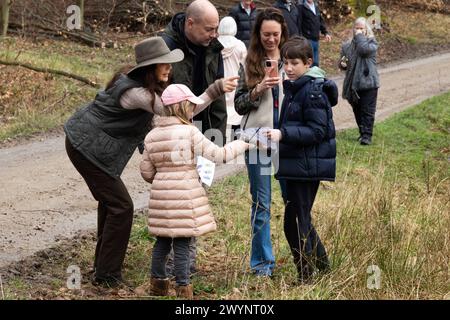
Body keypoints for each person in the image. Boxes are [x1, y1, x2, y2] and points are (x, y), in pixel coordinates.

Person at [64, 37, 237, 288]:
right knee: (121, 206)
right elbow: (181, 112)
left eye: (169, 63)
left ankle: (103, 268)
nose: (169, 68)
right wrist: (215, 89)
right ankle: (107, 275)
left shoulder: (142, 88)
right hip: (85, 146)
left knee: (111, 204)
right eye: (163, 64)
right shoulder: (137, 93)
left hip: (88, 145)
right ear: (149, 68)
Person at [140, 84, 251, 299]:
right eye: (191, 106)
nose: (193, 110)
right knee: (182, 242)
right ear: (182, 107)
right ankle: (183, 288)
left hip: (161, 198)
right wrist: (243, 144)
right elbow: (219, 155)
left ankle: (158, 284)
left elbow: (146, 172)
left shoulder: (152, 136)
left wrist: (164, 177)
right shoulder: (189, 132)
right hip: (185, 195)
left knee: (162, 241)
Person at [265, 36, 338, 283]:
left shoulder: (313, 92)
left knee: (296, 223)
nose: (288, 67)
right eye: (285, 62)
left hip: (308, 167)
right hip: (295, 165)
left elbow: (318, 132)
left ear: (308, 62)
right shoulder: (295, 88)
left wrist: (283, 134)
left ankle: (307, 277)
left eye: (294, 62)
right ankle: (322, 270)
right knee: (298, 221)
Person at [234, 7, 289, 277]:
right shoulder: (250, 62)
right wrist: (259, 88)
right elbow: (239, 105)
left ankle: (302, 257)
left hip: (289, 141)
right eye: (266, 34)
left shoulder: (293, 58)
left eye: (275, 34)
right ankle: (263, 265)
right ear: (258, 33)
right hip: (258, 141)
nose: (271, 39)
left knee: (293, 201)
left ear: (282, 33)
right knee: (262, 203)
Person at [160, 0, 227, 146]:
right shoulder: (165, 48)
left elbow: (218, 101)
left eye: (216, 29)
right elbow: (152, 94)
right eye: (209, 29)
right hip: (173, 135)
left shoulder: (213, 48)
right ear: (190, 24)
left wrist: (218, 140)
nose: (214, 35)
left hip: (205, 131)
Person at [339, 17, 379, 145]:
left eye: (362, 28)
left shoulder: (372, 44)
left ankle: (367, 136)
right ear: (353, 29)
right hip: (353, 84)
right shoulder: (347, 46)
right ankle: (362, 132)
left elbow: (363, 50)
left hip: (368, 83)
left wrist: (360, 36)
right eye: (357, 28)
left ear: (366, 30)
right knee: (357, 109)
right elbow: (342, 61)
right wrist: (342, 64)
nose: (359, 31)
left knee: (367, 110)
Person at [218, 16, 247, 141]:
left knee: (219, 113)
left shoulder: (215, 44)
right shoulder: (239, 45)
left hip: (219, 83)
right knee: (235, 114)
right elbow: (246, 65)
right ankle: (234, 142)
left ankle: (219, 141)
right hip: (234, 81)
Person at [297, 0, 332, 67]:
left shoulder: (316, 6)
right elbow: (299, 24)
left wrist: (326, 33)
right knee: (309, 63)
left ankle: (315, 77)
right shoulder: (301, 7)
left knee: (316, 63)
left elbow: (320, 21)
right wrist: (300, 39)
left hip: (316, 39)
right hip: (307, 40)